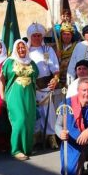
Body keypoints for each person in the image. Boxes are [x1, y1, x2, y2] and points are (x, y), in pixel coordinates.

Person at [0, 39, 39, 161]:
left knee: (29, 121)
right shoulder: (9, 62)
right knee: (20, 120)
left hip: (29, 96)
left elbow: (36, 80)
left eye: (23, 47)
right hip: (14, 96)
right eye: (19, 48)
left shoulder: (32, 63)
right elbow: (1, 79)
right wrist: (2, 95)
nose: (21, 50)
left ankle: (26, 149)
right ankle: (16, 149)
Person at [28, 22, 61, 150]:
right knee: (34, 113)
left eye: (39, 35)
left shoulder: (47, 50)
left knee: (49, 113)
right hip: (31, 87)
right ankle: (36, 137)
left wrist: (55, 79)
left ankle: (51, 136)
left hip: (46, 86)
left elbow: (55, 69)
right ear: (30, 37)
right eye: (34, 35)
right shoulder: (25, 50)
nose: (37, 38)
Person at [56, 22, 77, 88]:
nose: (66, 36)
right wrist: (57, 57)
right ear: (61, 35)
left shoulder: (77, 47)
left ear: (72, 35)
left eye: (68, 34)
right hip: (58, 81)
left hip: (72, 79)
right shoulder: (55, 47)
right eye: (64, 34)